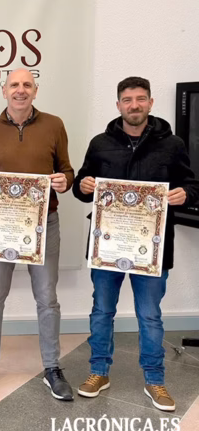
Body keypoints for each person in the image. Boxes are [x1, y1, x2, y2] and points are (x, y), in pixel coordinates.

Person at [72, 76, 199, 412]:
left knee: (150, 316)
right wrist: (82, 185)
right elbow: (81, 185)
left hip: (152, 250)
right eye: (127, 100)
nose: (134, 105)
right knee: (102, 311)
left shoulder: (172, 144)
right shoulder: (100, 143)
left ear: (151, 103)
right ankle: (99, 371)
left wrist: (185, 194)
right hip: (108, 246)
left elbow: (191, 185)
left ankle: (155, 379)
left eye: (140, 99)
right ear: (118, 105)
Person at [0, 69, 75, 400]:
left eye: (27, 85)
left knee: (47, 298)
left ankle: (52, 367)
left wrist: (64, 181)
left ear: (35, 91)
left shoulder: (54, 125)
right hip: (1, 226)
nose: (20, 90)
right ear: (4, 91)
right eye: (14, 85)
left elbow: (67, 171)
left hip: (44, 223)